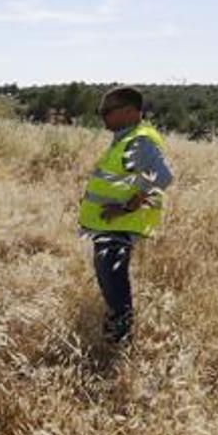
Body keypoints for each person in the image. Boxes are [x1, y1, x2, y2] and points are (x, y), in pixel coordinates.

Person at [78, 86, 174, 343]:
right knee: (108, 275)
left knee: (112, 278)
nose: (102, 116)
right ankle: (117, 332)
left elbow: (163, 176)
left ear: (130, 111)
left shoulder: (138, 140)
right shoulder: (125, 138)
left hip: (120, 223)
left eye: (107, 111)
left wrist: (128, 207)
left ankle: (119, 338)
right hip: (110, 223)